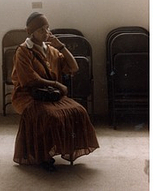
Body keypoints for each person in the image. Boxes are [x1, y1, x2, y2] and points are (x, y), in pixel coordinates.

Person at [11, 12, 99, 171]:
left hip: (50, 93)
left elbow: (74, 67)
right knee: (48, 116)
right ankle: (43, 155)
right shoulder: (23, 51)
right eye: (41, 30)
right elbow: (29, 80)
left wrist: (61, 46)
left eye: (47, 28)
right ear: (30, 32)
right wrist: (57, 84)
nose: (46, 33)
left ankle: (64, 148)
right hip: (28, 95)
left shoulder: (51, 50)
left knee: (79, 111)